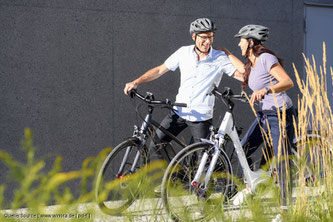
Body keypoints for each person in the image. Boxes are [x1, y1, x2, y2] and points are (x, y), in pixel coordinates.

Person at [124, 18, 244, 163]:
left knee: (201, 161)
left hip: (201, 116)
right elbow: (160, 70)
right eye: (204, 37)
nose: (208, 41)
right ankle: (176, 179)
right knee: (156, 143)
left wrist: (228, 53)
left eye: (210, 37)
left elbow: (243, 76)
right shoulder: (183, 52)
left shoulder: (220, 58)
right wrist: (136, 82)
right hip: (179, 111)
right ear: (194, 36)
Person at [226, 24, 296, 221]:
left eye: (241, 40)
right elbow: (239, 70)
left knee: (282, 160)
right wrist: (225, 53)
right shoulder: (250, 63)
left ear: (250, 42)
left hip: (280, 114)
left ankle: (285, 210)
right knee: (243, 148)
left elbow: (287, 82)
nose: (239, 43)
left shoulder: (266, 58)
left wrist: (265, 90)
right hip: (265, 114)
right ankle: (251, 186)